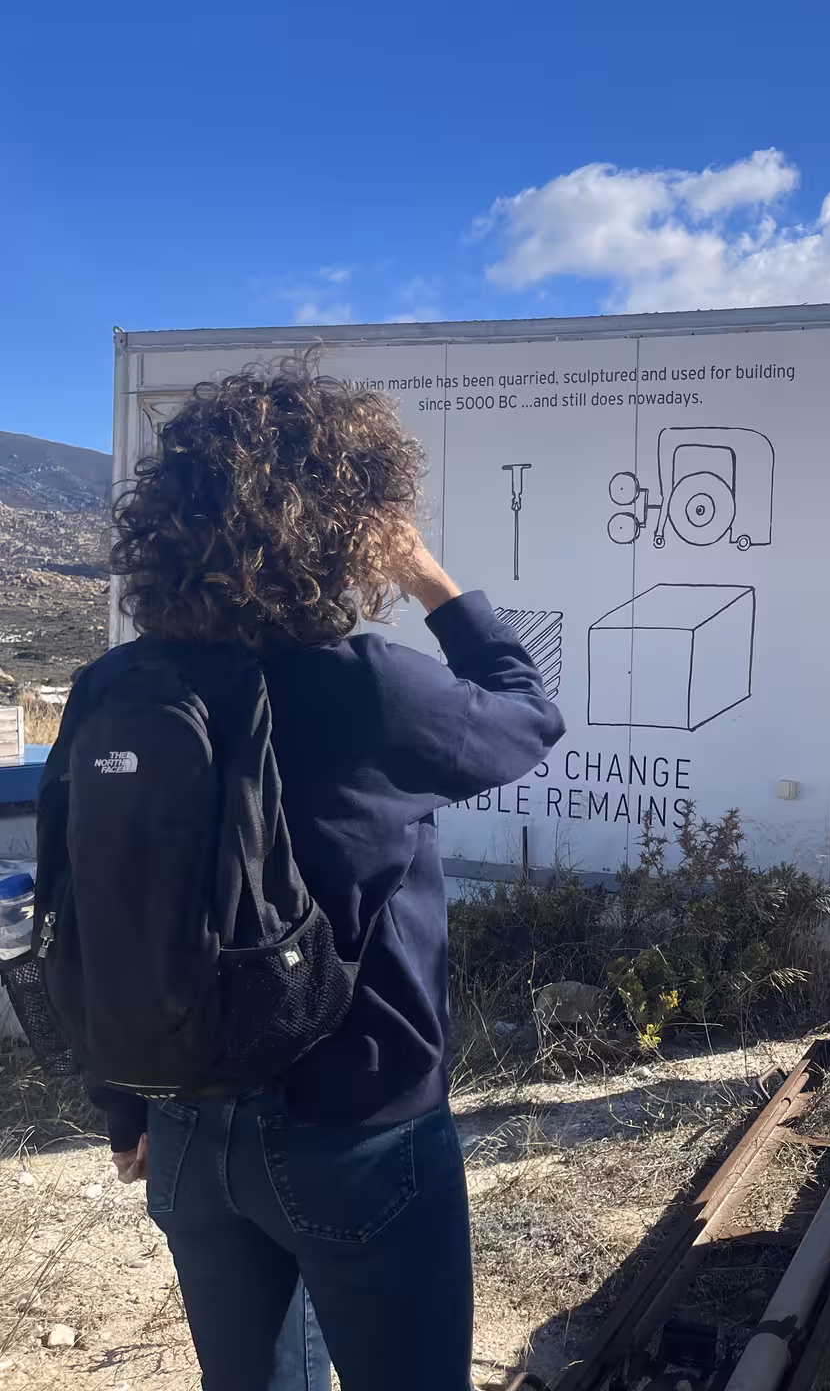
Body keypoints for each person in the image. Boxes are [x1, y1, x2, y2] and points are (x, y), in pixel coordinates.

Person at [80, 362, 565, 1389]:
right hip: (358, 1130)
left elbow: (91, 906)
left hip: (179, 1123)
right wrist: (433, 580)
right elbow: (526, 714)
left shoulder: (112, 688)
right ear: (349, 526)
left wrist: (123, 1106)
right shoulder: (371, 690)